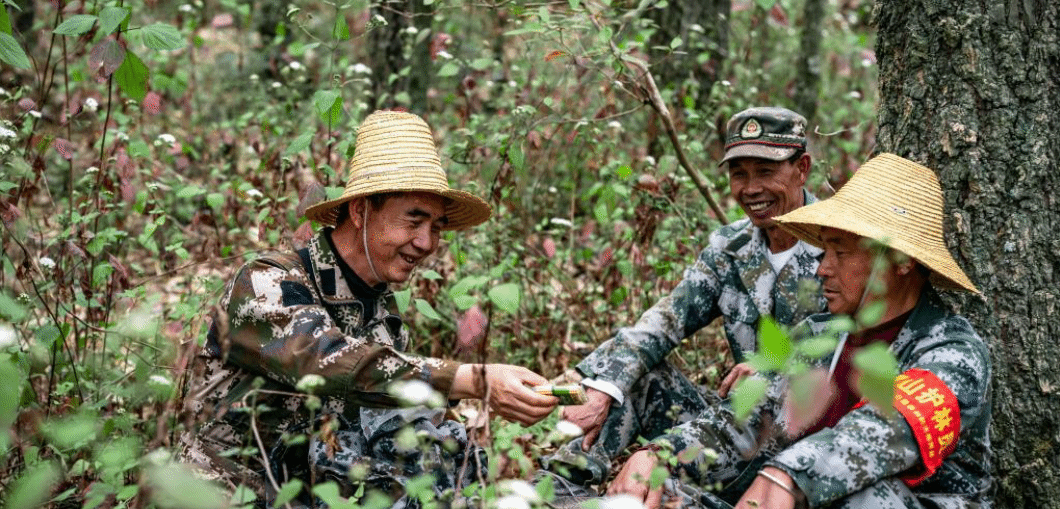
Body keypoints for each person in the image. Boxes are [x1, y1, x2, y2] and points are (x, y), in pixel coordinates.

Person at [180, 110, 558, 507]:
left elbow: (401, 418)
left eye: (437, 227)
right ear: (361, 211)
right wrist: (471, 379)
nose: (427, 243)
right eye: (414, 220)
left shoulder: (381, 316)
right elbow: (326, 360)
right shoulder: (269, 282)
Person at [607, 153, 991, 509]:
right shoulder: (818, 336)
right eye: (824, 253)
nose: (823, 268)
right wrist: (660, 455)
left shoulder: (951, 354)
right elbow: (746, 423)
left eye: (840, 253)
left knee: (870, 496)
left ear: (901, 261)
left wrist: (787, 475)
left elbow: (886, 430)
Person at [545, 107, 827, 489]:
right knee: (635, 376)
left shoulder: (839, 246)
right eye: (738, 174)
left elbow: (857, 349)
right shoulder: (731, 248)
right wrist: (598, 386)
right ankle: (559, 487)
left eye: (765, 172)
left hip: (810, 448)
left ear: (802, 168)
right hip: (736, 428)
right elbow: (664, 322)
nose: (750, 189)